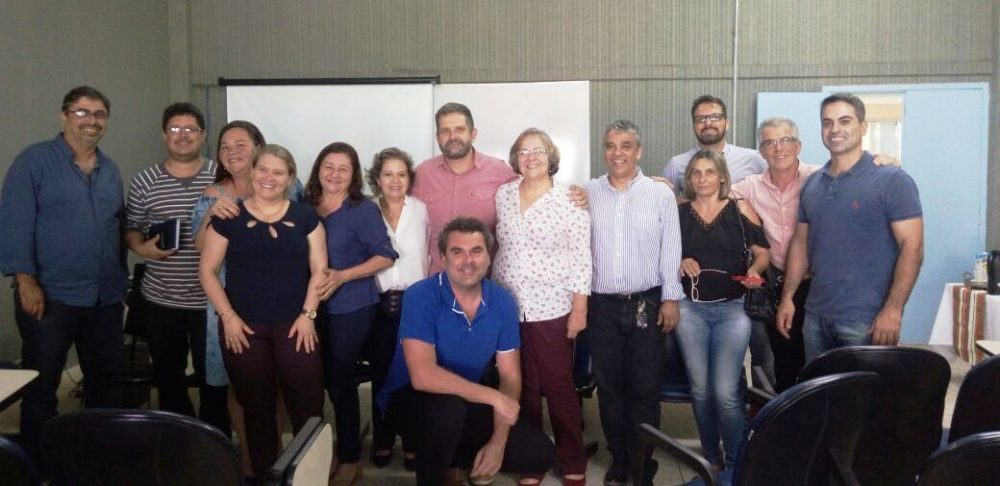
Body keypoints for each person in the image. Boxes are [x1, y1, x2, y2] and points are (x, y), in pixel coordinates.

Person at [376, 217, 556, 486]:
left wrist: (497, 443)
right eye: (457, 252)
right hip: (410, 399)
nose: (467, 261)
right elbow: (423, 377)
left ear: (489, 256)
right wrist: (494, 398)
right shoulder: (420, 295)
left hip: (467, 398)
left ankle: (457, 461)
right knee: (447, 413)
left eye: (476, 251)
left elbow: (510, 377)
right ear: (443, 258)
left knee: (539, 453)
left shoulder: (503, 301)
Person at [0, 86, 127, 463]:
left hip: (104, 298)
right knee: (42, 386)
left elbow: (115, 229)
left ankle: (100, 459)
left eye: (99, 114)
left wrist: (120, 285)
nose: (92, 121)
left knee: (106, 384)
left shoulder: (110, 170)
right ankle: (41, 465)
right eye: (82, 112)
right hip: (49, 296)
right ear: (64, 115)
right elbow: (15, 223)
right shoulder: (34, 161)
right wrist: (26, 280)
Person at [199, 144, 327, 480]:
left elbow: (320, 270)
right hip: (243, 329)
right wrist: (228, 317)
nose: (269, 177)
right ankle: (265, 477)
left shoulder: (305, 217)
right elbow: (207, 271)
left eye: (278, 172)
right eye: (263, 169)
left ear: (290, 178)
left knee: (308, 407)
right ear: (253, 171)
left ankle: (309, 478)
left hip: (296, 326)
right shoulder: (228, 216)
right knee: (256, 410)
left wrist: (308, 315)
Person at [777, 93, 923, 360]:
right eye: (827, 122)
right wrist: (788, 297)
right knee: (821, 387)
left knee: (866, 388)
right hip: (816, 316)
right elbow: (800, 243)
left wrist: (893, 310)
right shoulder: (812, 184)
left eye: (845, 121)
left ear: (863, 127)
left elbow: (912, 247)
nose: (835, 129)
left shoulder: (892, 180)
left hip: (867, 320)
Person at [492, 128, 591, 486]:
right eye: (523, 152)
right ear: (515, 158)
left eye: (538, 151)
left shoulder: (569, 199)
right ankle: (531, 458)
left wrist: (579, 309)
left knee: (559, 386)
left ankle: (572, 458)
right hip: (508, 307)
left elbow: (581, 257)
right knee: (523, 387)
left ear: (550, 157)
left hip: (551, 308)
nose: (530, 157)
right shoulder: (503, 195)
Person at [587, 120, 683, 486]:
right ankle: (619, 459)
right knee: (610, 389)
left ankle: (642, 464)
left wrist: (671, 298)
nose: (617, 153)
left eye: (625, 146)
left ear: (638, 151)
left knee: (645, 389)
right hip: (602, 306)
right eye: (611, 146)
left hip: (648, 303)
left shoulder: (660, 194)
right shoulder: (588, 192)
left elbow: (671, 248)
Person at [125, 102, 227, 431]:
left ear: (203, 135)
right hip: (161, 300)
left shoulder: (220, 176)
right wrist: (141, 248)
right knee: (169, 380)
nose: (182, 135)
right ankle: (179, 440)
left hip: (211, 302)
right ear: (164, 134)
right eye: (175, 129)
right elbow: (132, 227)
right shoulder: (145, 180)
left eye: (190, 129)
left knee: (214, 381)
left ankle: (214, 442)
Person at [306, 142, 398, 486]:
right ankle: (320, 449)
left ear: (353, 175)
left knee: (339, 379)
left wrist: (342, 276)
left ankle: (349, 456)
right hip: (310, 307)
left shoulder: (362, 210)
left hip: (351, 307)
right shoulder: (304, 205)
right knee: (315, 380)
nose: (334, 174)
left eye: (343, 168)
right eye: (328, 166)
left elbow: (385, 256)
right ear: (318, 169)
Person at [675, 149, 770, 469]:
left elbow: (763, 253)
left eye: (709, 172)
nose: (702, 178)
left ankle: (736, 461)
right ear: (689, 179)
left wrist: (755, 270)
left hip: (733, 309)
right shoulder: (679, 213)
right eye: (696, 172)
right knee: (700, 390)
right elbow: (662, 254)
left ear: (721, 177)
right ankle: (711, 460)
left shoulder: (739, 208)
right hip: (690, 310)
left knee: (726, 391)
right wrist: (679, 261)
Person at [411, 102, 586, 274]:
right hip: (436, 281)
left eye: (460, 129)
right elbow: (398, 203)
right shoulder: (422, 174)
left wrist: (575, 193)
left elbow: (534, 183)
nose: (452, 136)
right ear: (437, 137)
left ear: (473, 134)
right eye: (445, 131)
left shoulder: (499, 172)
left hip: (485, 283)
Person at [191, 120, 265, 479]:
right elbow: (199, 248)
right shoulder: (212, 194)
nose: (231, 152)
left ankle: (272, 455)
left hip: (276, 297)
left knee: (274, 382)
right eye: (224, 146)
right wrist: (212, 213)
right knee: (239, 383)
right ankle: (248, 460)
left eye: (240, 144)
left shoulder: (283, 182)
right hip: (227, 300)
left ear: (258, 147)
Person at [365, 147, 428, 470]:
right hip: (377, 305)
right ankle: (384, 437)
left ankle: (413, 441)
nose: (395, 180)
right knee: (380, 374)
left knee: (414, 375)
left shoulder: (423, 209)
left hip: (415, 305)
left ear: (409, 178)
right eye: (388, 174)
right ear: (377, 178)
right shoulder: (366, 210)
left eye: (401, 174)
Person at [662, 95, 767, 193]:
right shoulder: (677, 164)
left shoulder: (754, 159)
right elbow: (665, 201)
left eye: (715, 117)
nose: (708, 123)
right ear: (693, 126)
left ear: (727, 124)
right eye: (701, 119)